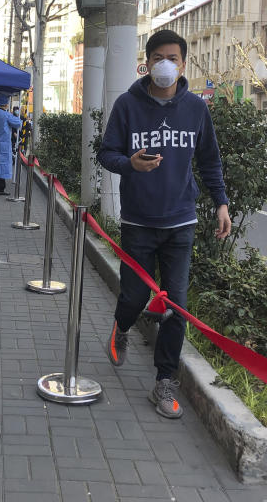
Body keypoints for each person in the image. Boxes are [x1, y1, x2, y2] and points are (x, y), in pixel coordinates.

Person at [98, 29, 231, 420]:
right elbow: (106, 153)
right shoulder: (127, 105)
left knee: (176, 304)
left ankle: (165, 380)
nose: (165, 64)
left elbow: (209, 160)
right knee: (135, 297)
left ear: (184, 63)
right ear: (147, 61)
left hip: (180, 221)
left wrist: (221, 203)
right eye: (157, 57)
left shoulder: (195, 109)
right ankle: (121, 327)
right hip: (138, 220)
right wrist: (129, 164)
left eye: (171, 57)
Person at [0, 97, 23, 195]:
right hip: (4, 144)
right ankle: (0, 189)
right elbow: (18, 123)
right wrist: (16, 115)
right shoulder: (6, 115)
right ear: (5, 105)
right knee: (2, 166)